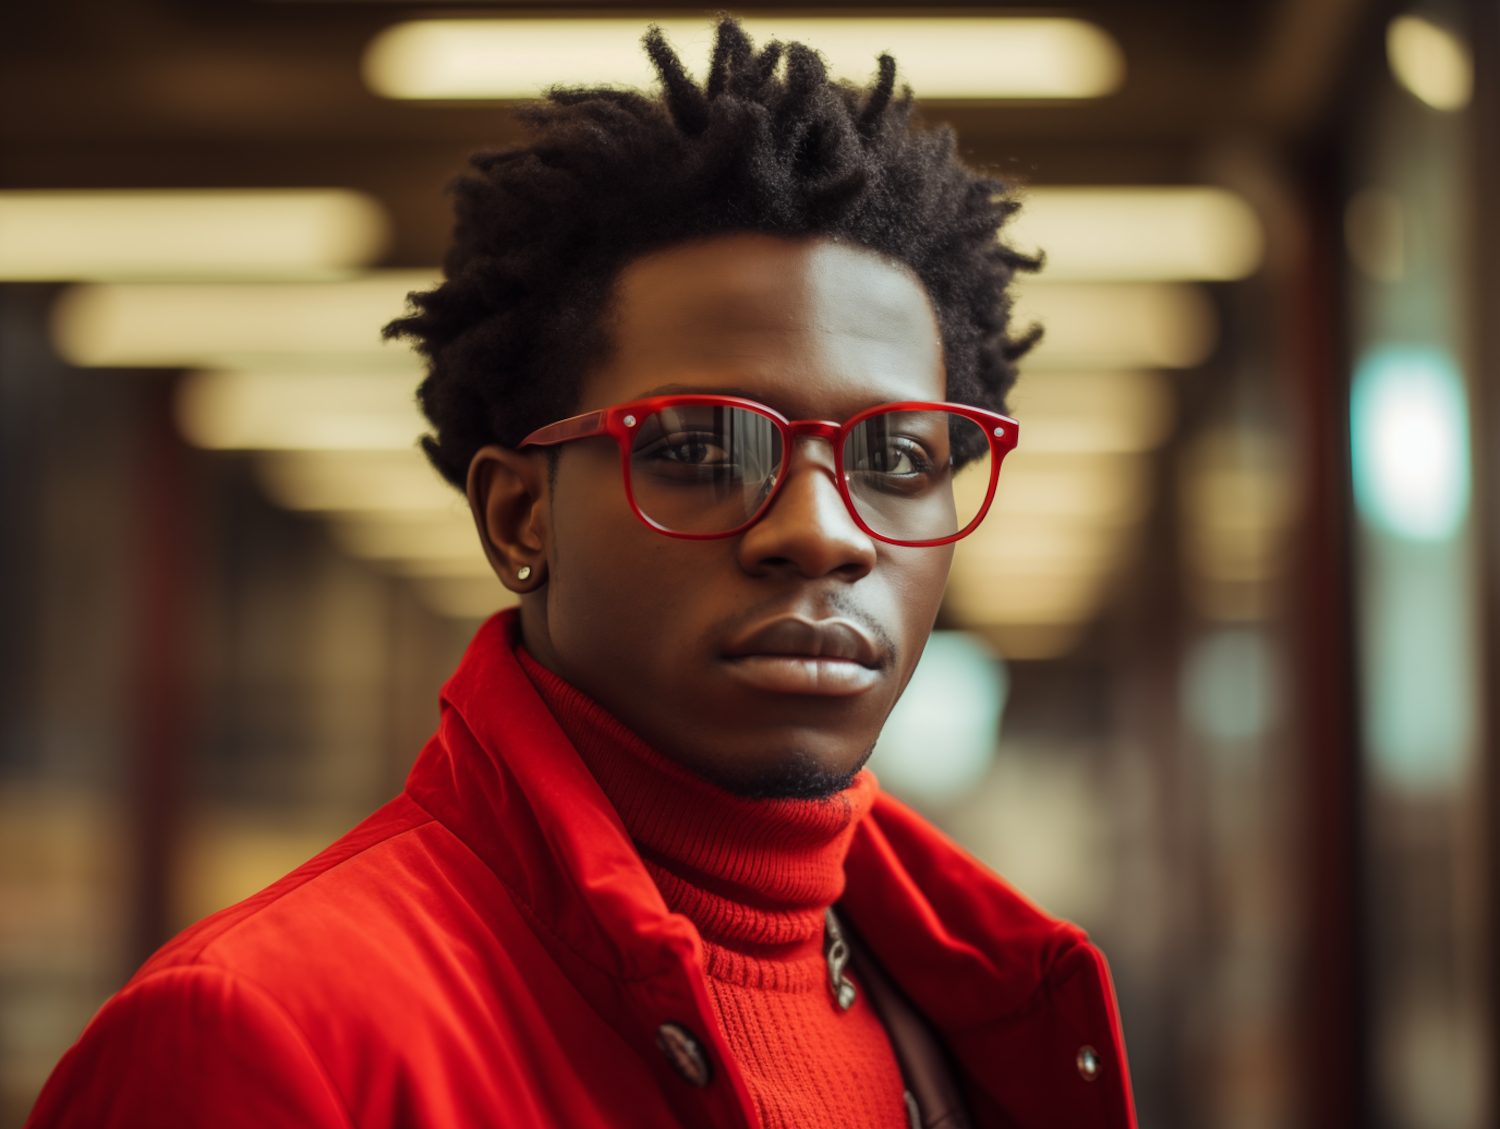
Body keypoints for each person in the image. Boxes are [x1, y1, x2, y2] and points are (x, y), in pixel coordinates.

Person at [28, 18, 1135, 1129]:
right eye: (702, 448)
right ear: (520, 515)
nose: (821, 532)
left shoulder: (973, 1005)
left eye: (896, 457)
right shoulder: (260, 1039)